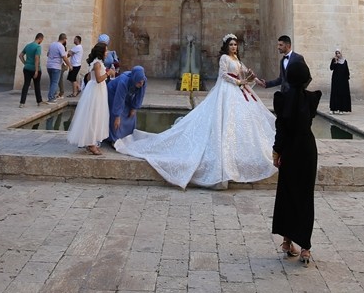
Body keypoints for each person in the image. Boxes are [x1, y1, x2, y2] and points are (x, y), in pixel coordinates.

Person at [115, 33, 276, 189]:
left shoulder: (237, 59)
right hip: (227, 90)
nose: (234, 47)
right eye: (231, 45)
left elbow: (245, 71)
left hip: (238, 90)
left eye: (235, 45)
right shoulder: (224, 58)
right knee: (223, 119)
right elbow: (224, 75)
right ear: (226, 46)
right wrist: (239, 81)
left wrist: (253, 78)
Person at [272, 56, 321, 267]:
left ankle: (286, 241)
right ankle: (306, 249)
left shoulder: (281, 99)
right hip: (307, 151)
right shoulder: (312, 98)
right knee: (305, 197)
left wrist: (276, 152)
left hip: (290, 151)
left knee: (287, 194)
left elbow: (281, 130)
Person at [66, 42, 110, 155]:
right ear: (101, 52)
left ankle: (91, 141)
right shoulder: (97, 64)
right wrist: (109, 73)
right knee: (93, 116)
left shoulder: (96, 62)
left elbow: (90, 77)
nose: (107, 52)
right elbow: (99, 79)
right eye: (106, 50)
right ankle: (91, 143)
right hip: (96, 91)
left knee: (95, 115)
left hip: (95, 90)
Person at [107, 65, 147, 143]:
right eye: (139, 82)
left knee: (130, 113)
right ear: (135, 79)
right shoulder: (123, 81)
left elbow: (140, 95)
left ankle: (127, 136)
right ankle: (114, 139)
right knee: (116, 118)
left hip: (128, 93)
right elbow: (119, 100)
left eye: (142, 82)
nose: (141, 84)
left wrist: (134, 107)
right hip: (114, 92)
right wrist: (117, 116)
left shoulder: (143, 81)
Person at [18, 32, 44, 106]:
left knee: (26, 85)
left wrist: (25, 63)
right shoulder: (38, 47)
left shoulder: (28, 46)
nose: (41, 41)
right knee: (37, 85)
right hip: (35, 69)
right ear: (40, 38)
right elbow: (36, 58)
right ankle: (39, 101)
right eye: (42, 40)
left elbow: (20, 55)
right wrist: (36, 70)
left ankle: (22, 103)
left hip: (27, 68)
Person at [46, 33, 68, 102]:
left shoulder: (52, 44)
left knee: (52, 82)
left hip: (49, 65)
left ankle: (52, 95)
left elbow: (48, 54)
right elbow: (64, 57)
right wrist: (70, 65)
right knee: (55, 82)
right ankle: (51, 97)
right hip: (56, 66)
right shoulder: (61, 46)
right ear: (64, 39)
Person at [329, 49, 351, 113]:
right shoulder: (334, 60)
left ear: (341, 53)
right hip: (335, 80)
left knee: (342, 93)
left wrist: (347, 78)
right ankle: (333, 109)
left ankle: (341, 109)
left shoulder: (344, 61)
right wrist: (335, 62)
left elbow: (347, 70)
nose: (337, 54)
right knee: (335, 93)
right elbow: (331, 68)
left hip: (343, 80)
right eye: (336, 53)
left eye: (338, 53)